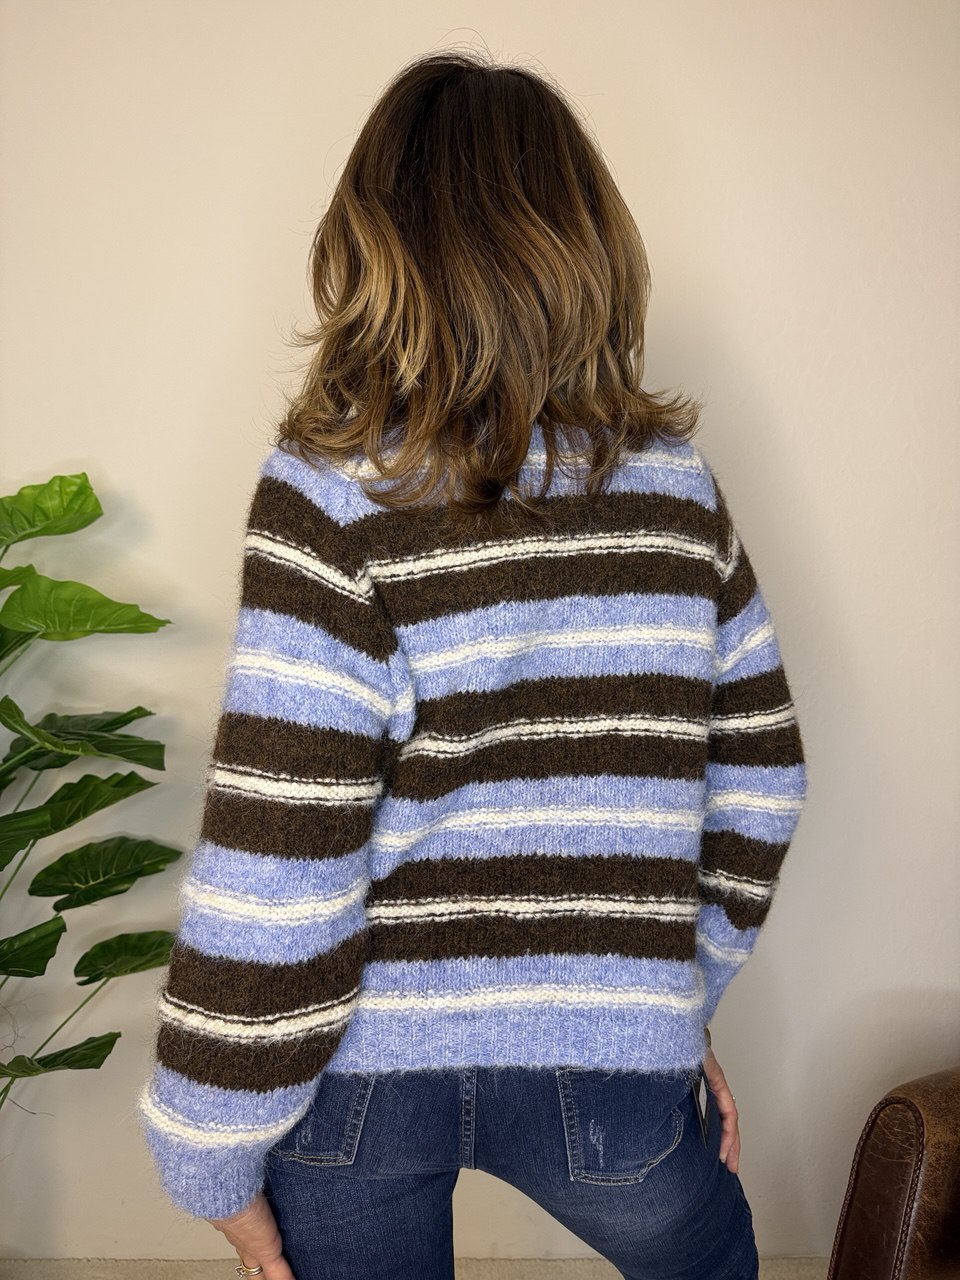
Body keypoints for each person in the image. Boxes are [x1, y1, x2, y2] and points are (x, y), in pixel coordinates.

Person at [137, 48, 807, 1280]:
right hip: (612, 1075)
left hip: (361, 1084)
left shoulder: (328, 497)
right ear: (588, 245)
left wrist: (207, 1147)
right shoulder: (674, 496)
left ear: (372, 250)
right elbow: (763, 781)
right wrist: (672, 993)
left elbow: (278, 858)